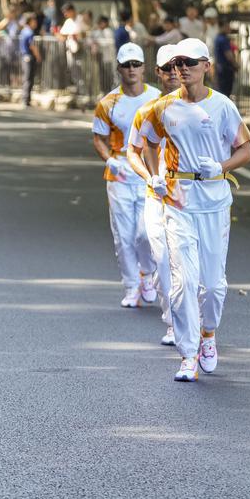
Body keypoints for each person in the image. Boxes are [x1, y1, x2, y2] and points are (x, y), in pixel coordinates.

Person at [129, 37, 250, 382]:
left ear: (206, 67)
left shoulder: (223, 106)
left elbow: (247, 150)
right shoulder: (163, 107)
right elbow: (148, 144)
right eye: (177, 63)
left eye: (190, 62)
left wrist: (222, 167)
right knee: (183, 280)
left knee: (213, 286)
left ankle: (209, 334)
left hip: (213, 202)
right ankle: (187, 354)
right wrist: (155, 175)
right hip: (178, 202)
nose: (182, 68)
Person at [92, 42, 161, 307]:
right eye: (126, 65)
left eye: (136, 64)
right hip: (120, 173)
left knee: (146, 232)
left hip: (147, 171)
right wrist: (110, 160)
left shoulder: (156, 99)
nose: (132, 70)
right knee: (123, 234)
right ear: (119, 69)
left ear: (144, 68)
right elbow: (98, 138)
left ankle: (147, 273)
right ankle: (131, 285)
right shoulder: (108, 103)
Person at [127, 44, 182, 346]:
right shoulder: (148, 111)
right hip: (158, 196)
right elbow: (133, 153)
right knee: (162, 262)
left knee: (190, 269)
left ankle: (198, 326)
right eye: (169, 68)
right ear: (159, 73)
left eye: (181, 64)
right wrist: (151, 176)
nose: (176, 72)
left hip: (192, 200)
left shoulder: (210, 108)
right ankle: (173, 322)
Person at [19, 12, 41, 107]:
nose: (35, 22)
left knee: (26, 78)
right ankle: (26, 100)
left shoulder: (23, 31)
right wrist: (38, 56)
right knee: (29, 79)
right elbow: (32, 46)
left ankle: (26, 99)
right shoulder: (29, 32)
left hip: (24, 57)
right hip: (28, 57)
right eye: (34, 21)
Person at [213, 17, 238, 97]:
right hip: (226, 69)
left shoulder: (217, 38)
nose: (229, 28)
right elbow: (229, 55)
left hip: (220, 69)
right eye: (227, 26)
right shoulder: (223, 39)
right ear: (222, 27)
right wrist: (236, 65)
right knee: (225, 92)